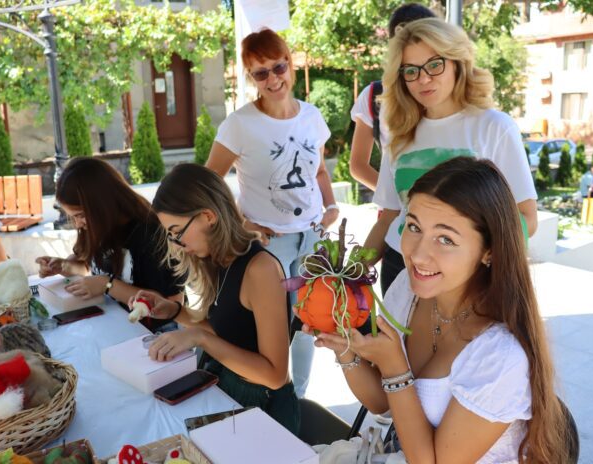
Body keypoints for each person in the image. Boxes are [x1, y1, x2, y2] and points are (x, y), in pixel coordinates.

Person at [310, 157, 569, 463]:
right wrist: (345, 351)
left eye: (445, 239)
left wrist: (395, 367)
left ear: (489, 251)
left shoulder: (501, 355)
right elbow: (382, 402)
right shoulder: (409, 289)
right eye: (414, 226)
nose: (418, 255)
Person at [363, 18, 538, 303]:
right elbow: (389, 219)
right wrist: (350, 272)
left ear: (457, 62)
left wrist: (479, 263)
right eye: (411, 70)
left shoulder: (494, 126)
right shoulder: (400, 135)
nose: (423, 79)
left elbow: (526, 218)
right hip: (401, 267)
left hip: (465, 275)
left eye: (435, 64)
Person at [205, 28, 338, 398]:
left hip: (312, 236)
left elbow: (320, 172)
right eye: (260, 73)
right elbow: (210, 183)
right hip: (269, 243)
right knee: (271, 328)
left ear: (289, 65)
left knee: (310, 325)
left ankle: (297, 401)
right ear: (251, 78)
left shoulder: (312, 117)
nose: (272, 79)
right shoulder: (240, 124)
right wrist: (242, 224)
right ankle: (269, 399)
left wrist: (331, 206)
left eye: (278, 67)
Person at [131, 163, 299, 434]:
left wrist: (198, 337)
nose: (175, 244)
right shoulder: (220, 259)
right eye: (170, 235)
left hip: (265, 414)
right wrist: (173, 311)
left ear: (208, 216)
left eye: (177, 232)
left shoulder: (260, 270)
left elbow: (275, 375)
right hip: (230, 396)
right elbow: (227, 331)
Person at [35, 157, 184, 332]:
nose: (77, 224)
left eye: (80, 215)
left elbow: (171, 302)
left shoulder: (150, 233)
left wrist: (108, 285)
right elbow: (89, 269)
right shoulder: (97, 226)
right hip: (112, 323)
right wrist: (64, 266)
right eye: (72, 216)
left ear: (102, 205)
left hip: (152, 333)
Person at [348, 3, 436, 296]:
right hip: (399, 239)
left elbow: (520, 216)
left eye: (431, 61)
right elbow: (388, 213)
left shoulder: (479, 122)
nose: (419, 72)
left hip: (450, 254)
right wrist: (344, 278)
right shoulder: (378, 103)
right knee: (397, 331)